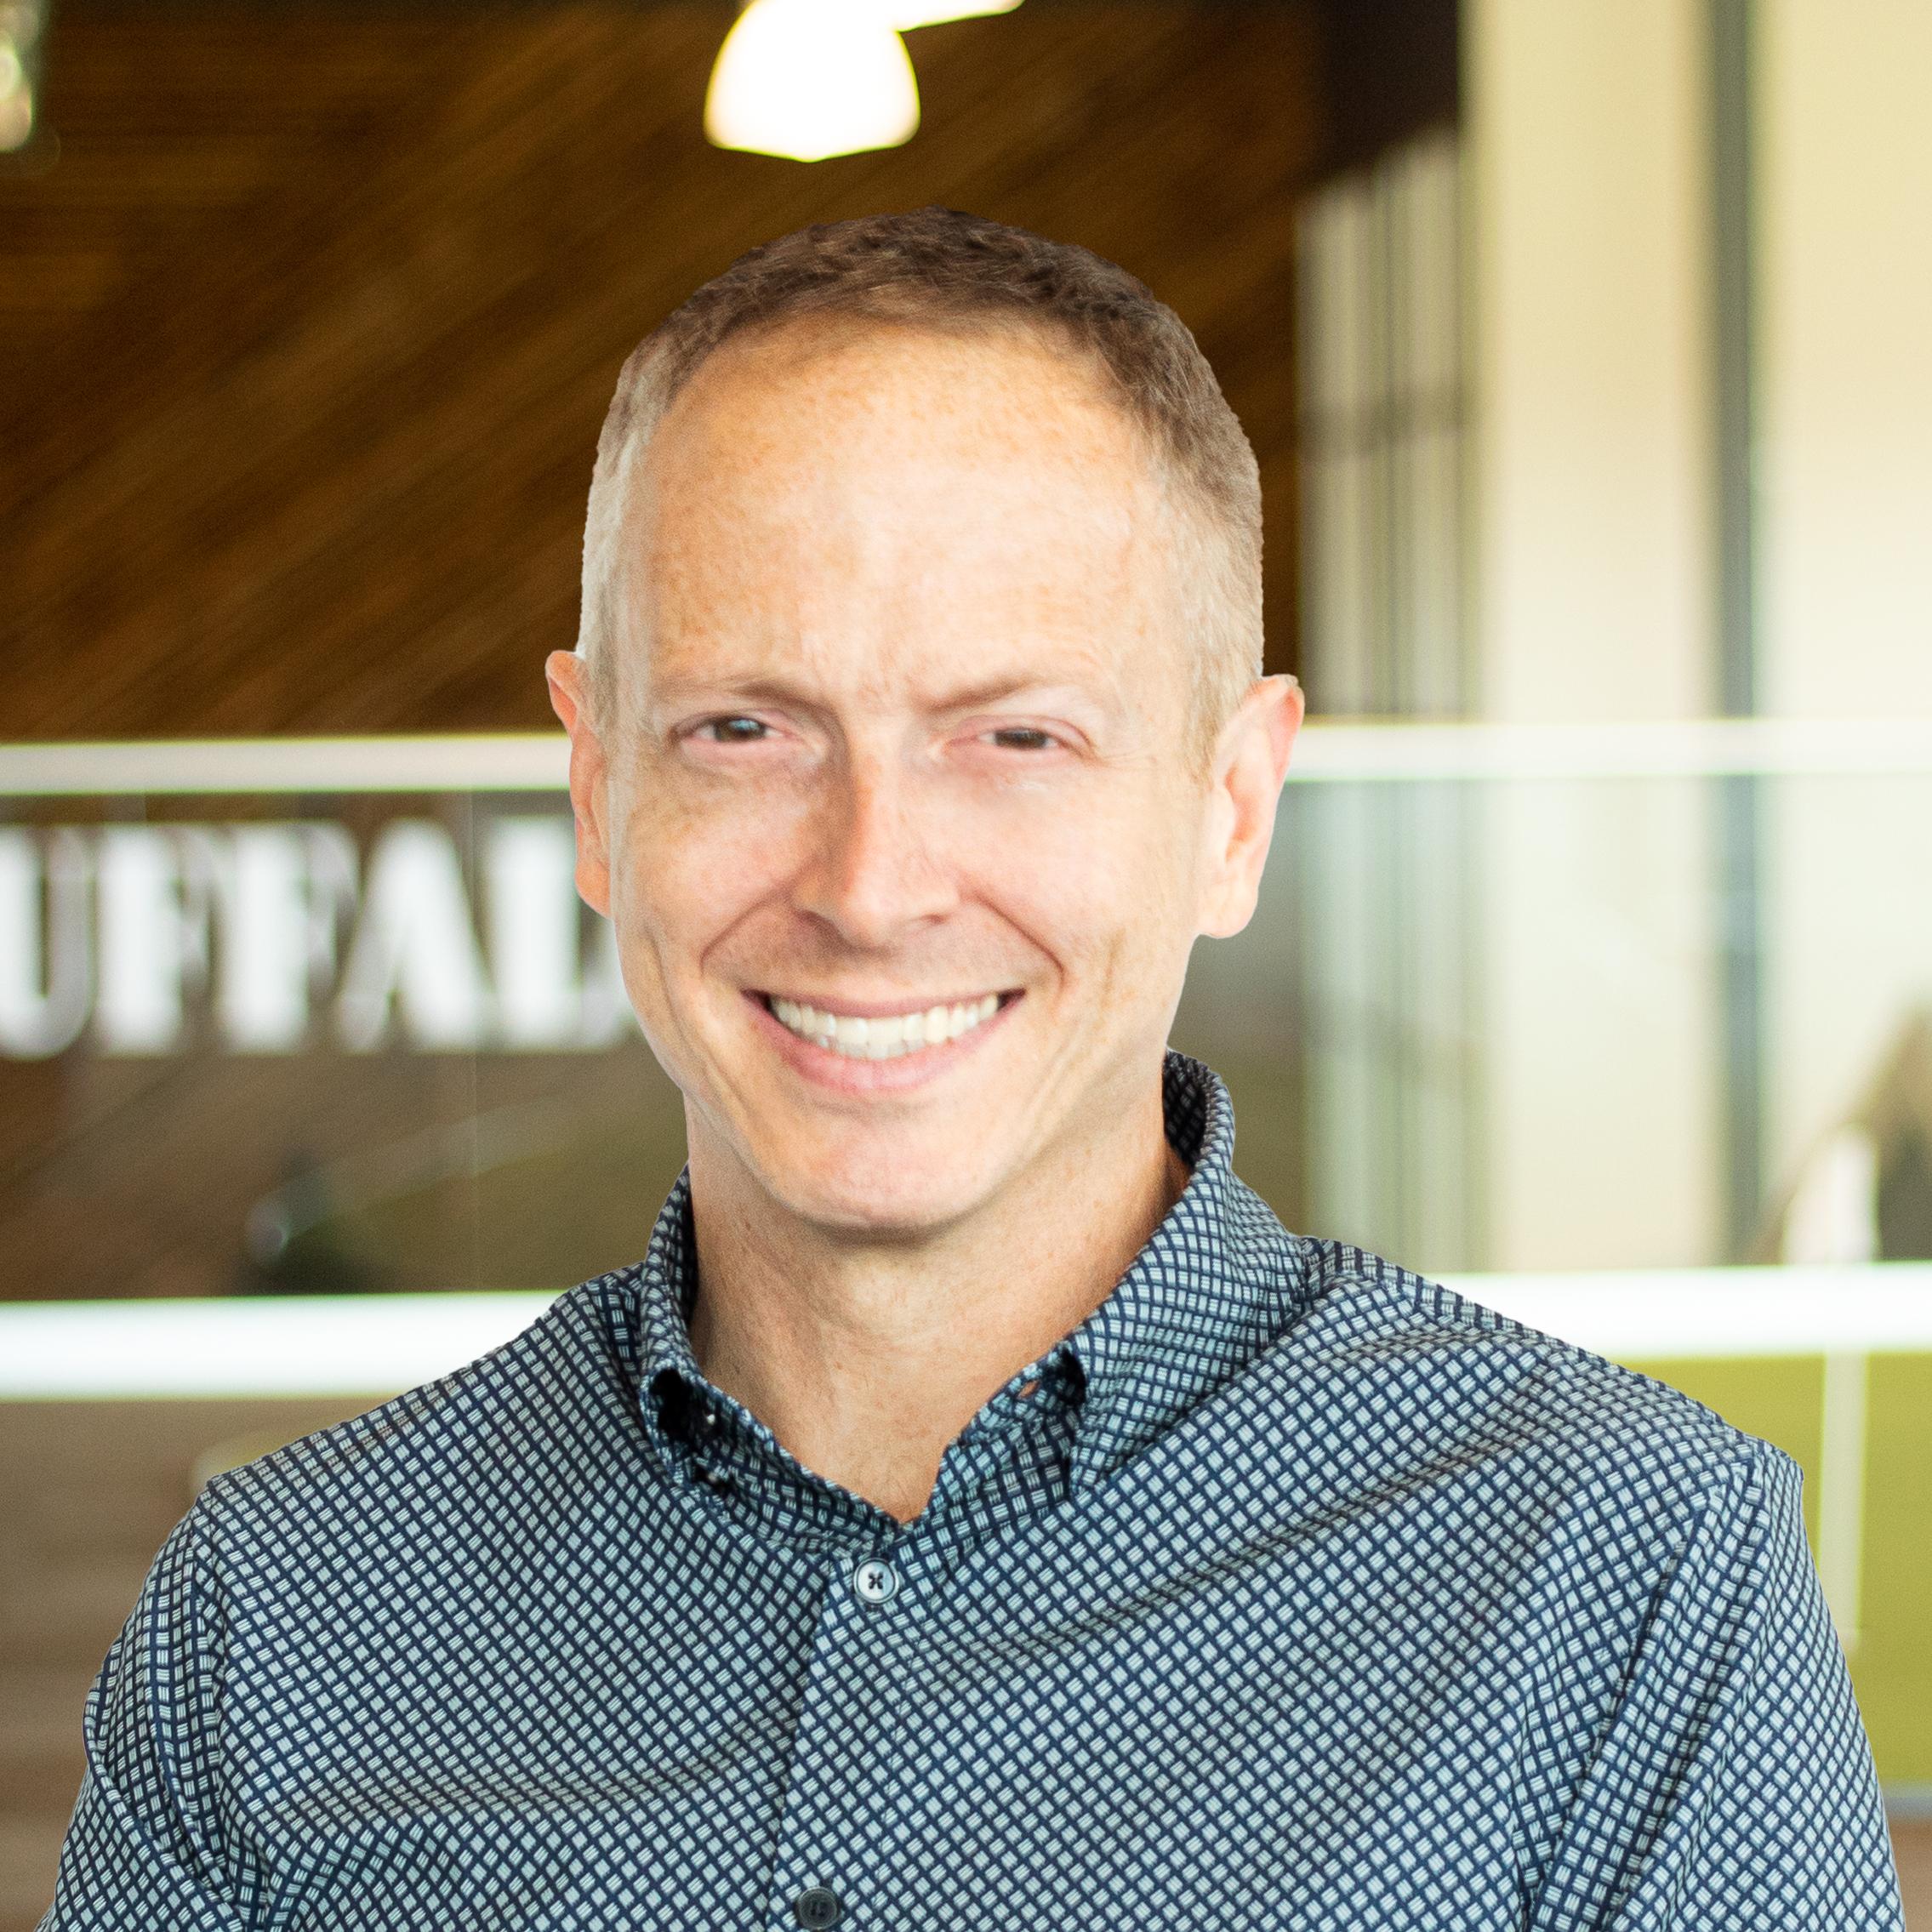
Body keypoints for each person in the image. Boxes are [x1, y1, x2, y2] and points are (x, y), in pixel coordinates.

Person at [41, 208, 1902, 1931]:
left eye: (1012, 734)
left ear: (1230, 806)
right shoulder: (273, 1626)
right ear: (598, 786)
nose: (868, 885)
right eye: (746, 727)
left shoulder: (1626, 1580)